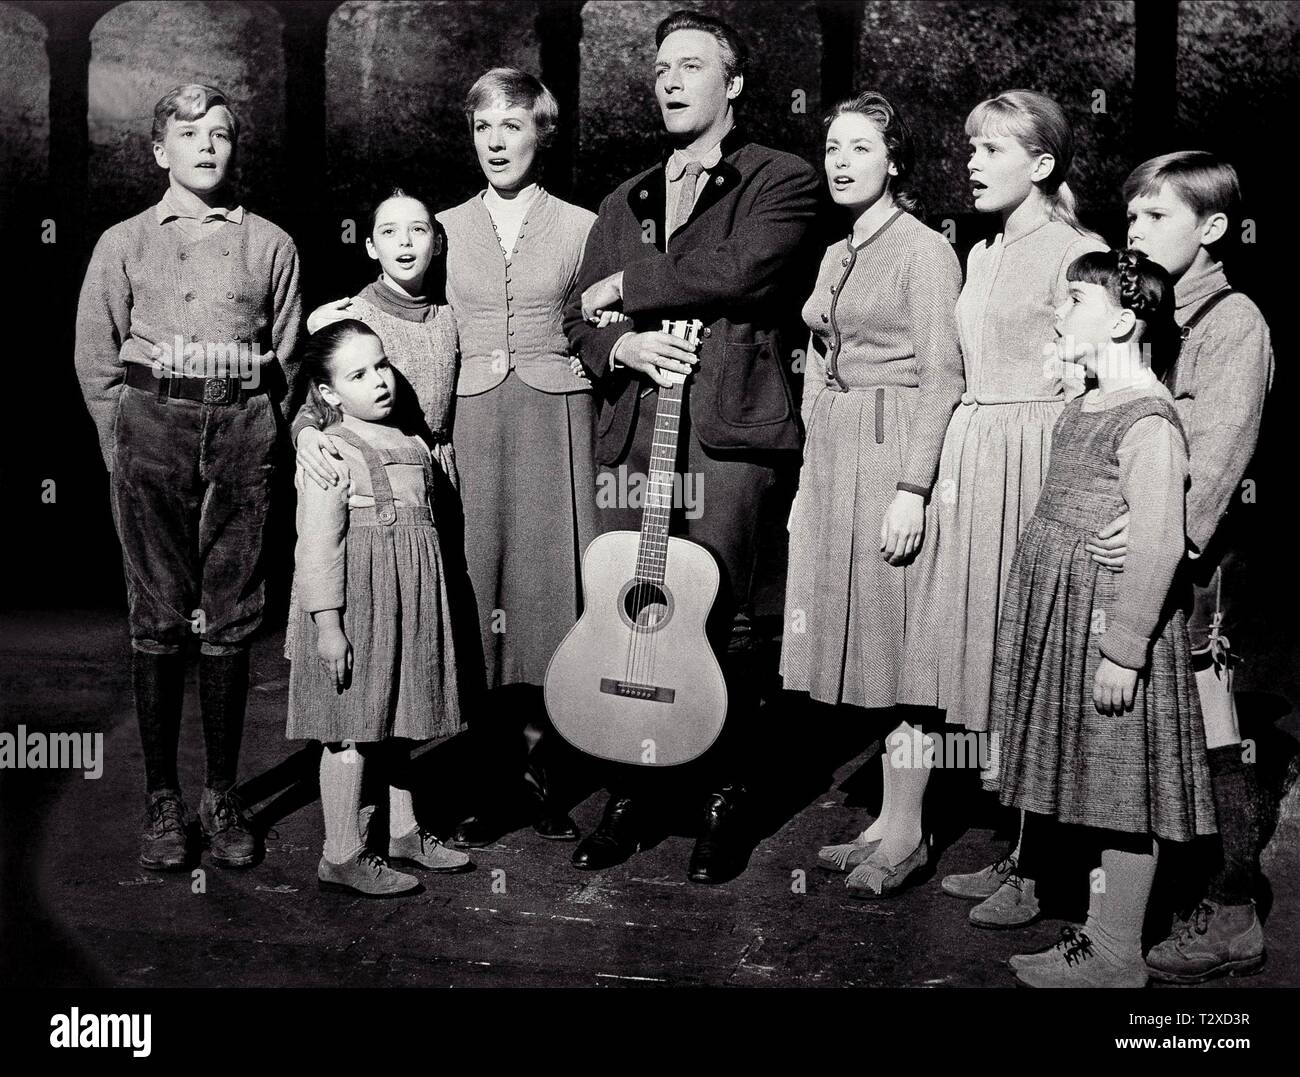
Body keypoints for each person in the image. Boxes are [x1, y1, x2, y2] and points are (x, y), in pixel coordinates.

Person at [563, 10, 820, 883]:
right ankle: (630, 794)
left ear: (734, 83)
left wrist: (626, 287)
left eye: (691, 66)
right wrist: (621, 346)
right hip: (634, 433)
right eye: (661, 68)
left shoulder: (780, 179)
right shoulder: (624, 197)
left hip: (729, 438)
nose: (670, 81)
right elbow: (578, 318)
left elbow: (746, 270)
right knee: (635, 608)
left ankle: (724, 802)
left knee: (730, 623)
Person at [74, 83, 302, 872]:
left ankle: (222, 794)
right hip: (152, 429)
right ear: (158, 149)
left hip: (242, 432)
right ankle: (163, 799)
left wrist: (260, 434)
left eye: (222, 134)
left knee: (233, 616)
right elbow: (96, 359)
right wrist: (125, 448)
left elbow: (291, 360)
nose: (208, 145)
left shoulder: (270, 242)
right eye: (188, 132)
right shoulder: (125, 241)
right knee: (160, 618)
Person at [983, 248, 1216, 987]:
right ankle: (1076, 913)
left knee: (1120, 785)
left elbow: (1154, 544)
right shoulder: (1088, 401)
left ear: (1120, 320)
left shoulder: (1150, 420)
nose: (1058, 314)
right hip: (1063, 607)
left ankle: (1116, 949)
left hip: (1108, 620)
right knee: (1084, 774)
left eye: (1072, 302)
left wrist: (1124, 647)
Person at [1095, 152, 1273, 982]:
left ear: (1211, 228)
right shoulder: (1156, 312)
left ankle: (1234, 908)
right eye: (1131, 218)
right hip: (1146, 540)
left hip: (1197, 563)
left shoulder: (1233, 322)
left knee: (1210, 719)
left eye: (1155, 217)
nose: (1135, 232)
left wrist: (1166, 532)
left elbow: (1220, 448)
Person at [782, 91, 963, 897]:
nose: (841, 161)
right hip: (837, 455)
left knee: (906, 650)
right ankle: (889, 823)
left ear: (895, 162)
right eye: (831, 147)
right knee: (873, 653)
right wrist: (809, 478)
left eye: (860, 147)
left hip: (894, 452)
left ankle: (912, 831)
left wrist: (913, 487)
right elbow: (820, 359)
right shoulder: (836, 250)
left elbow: (943, 375)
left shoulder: (924, 249)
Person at [933, 90, 1106, 926]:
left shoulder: (1083, 254)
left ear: (1041, 165)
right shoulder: (983, 247)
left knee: (1040, 661)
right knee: (995, 656)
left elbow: (1098, 389)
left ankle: (1044, 871)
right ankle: (1019, 852)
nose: (971, 163)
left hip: (1036, 463)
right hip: (978, 457)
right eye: (970, 148)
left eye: (991, 150)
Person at [288, 320, 471, 896]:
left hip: (409, 600)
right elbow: (317, 545)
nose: (379, 380)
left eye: (382, 365)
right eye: (358, 374)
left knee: (399, 719)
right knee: (349, 726)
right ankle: (339, 853)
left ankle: (404, 832)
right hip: (358, 604)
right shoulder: (330, 450)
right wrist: (328, 625)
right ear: (328, 393)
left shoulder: (414, 443)